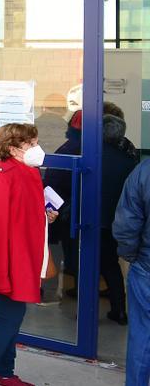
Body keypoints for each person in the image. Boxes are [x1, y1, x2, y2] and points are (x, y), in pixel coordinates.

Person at [0, 123, 58, 386]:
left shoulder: (25, 171)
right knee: (7, 319)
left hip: (21, 256)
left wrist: (45, 214)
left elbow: (22, 214)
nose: (37, 148)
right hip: (9, 261)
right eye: (31, 143)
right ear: (14, 148)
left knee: (11, 318)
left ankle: (3, 373)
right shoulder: (5, 174)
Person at [114, 139, 150, 386]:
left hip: (146, 266)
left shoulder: (145, 171)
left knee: (142, 337)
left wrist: (131, 255)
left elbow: (127, 224)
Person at [100, 114, 138, 325]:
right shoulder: (129, 160)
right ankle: (119, 309)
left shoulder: (93, 156)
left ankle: (86, 314)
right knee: (111, 265)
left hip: (93, 219)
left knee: (88, 264)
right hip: (117, 220)